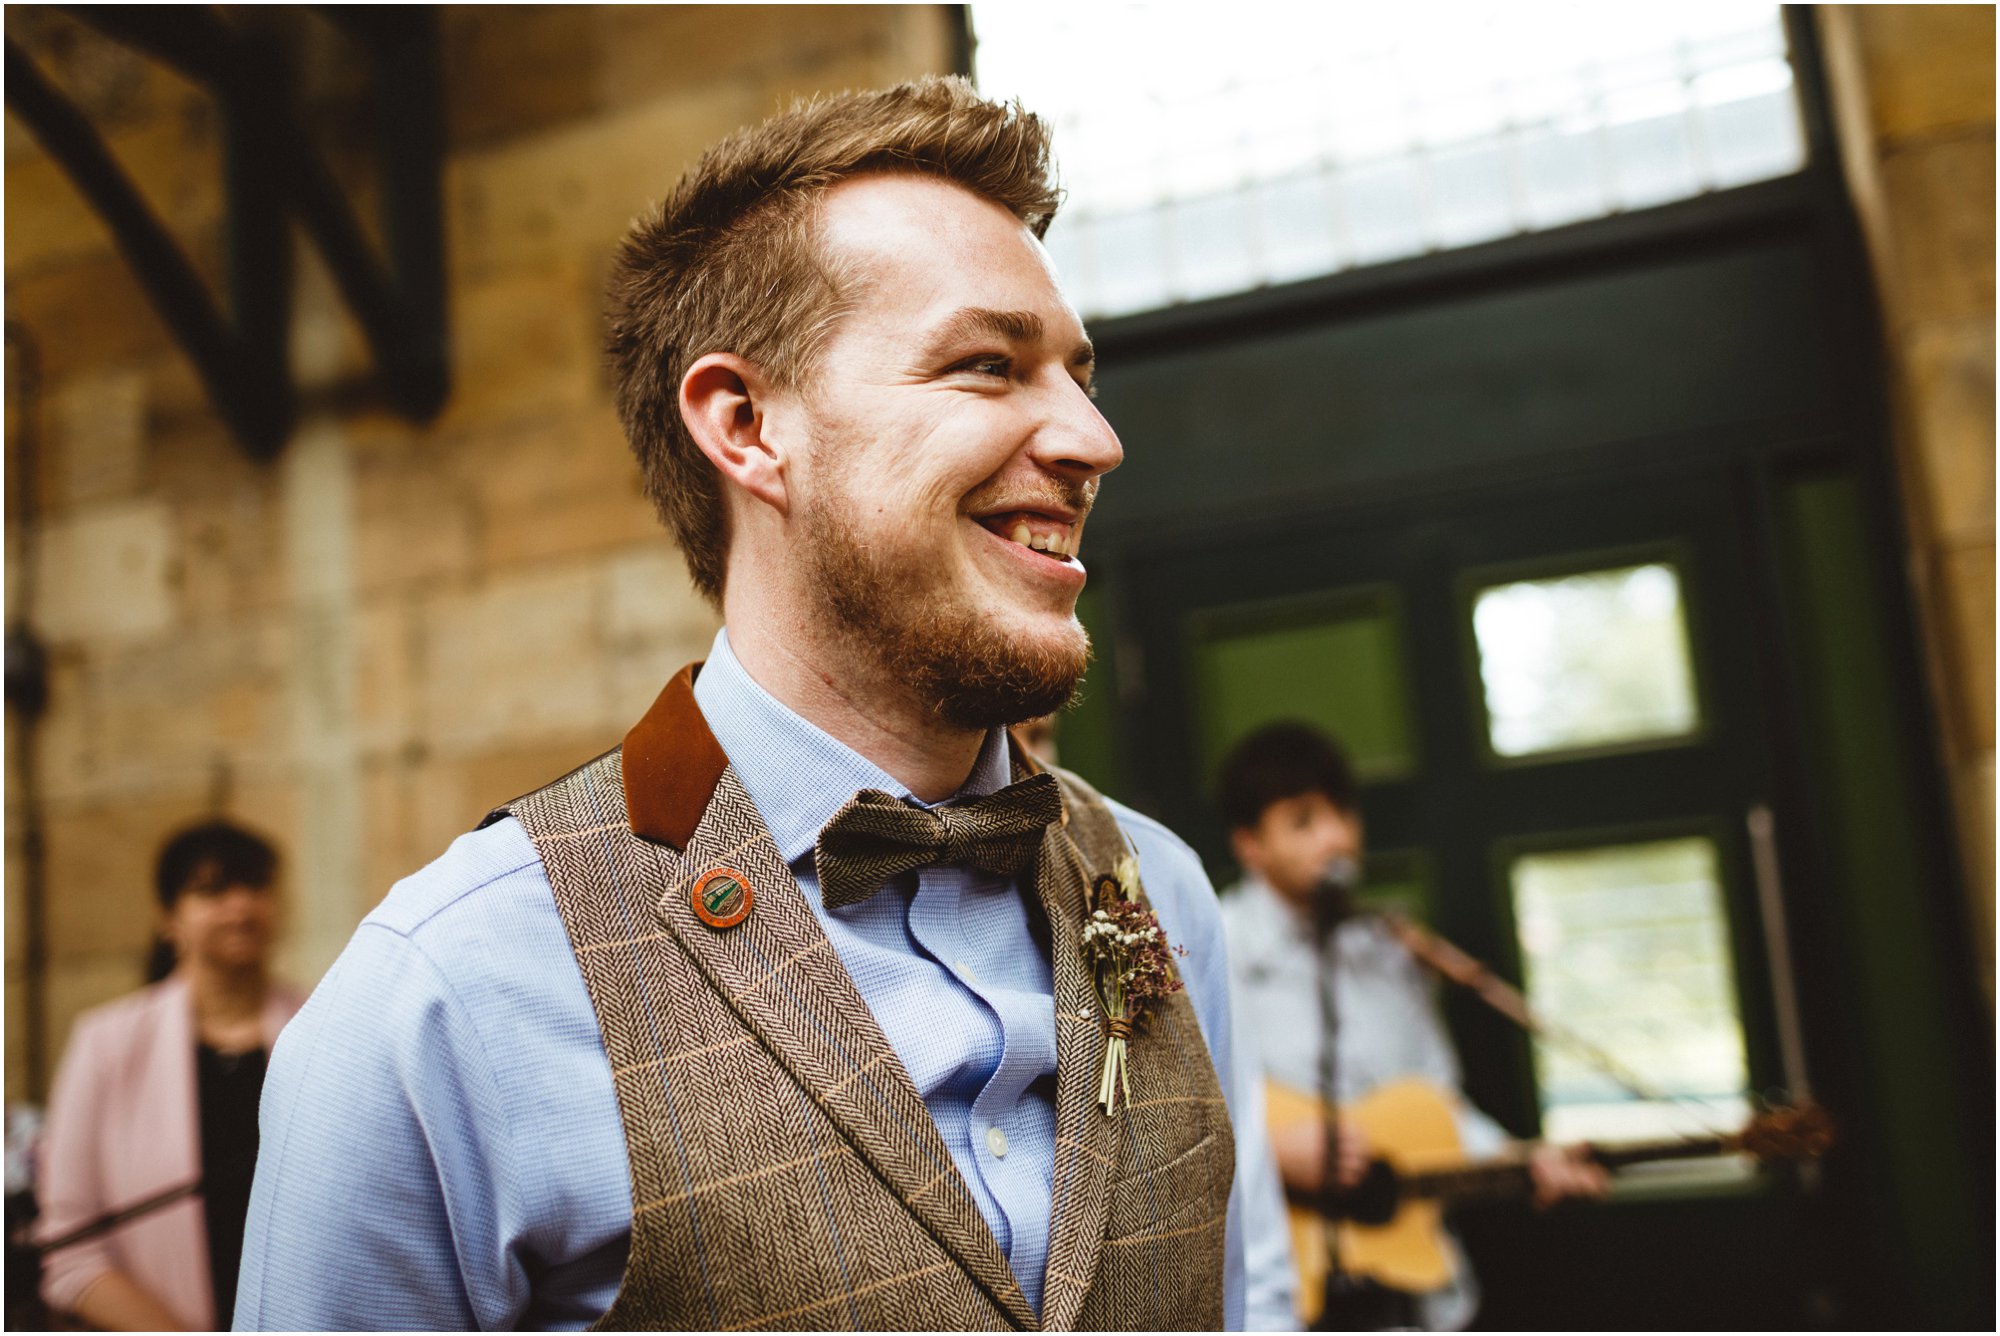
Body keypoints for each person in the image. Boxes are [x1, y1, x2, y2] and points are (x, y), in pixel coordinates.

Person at [236, 77, 1293, 1330]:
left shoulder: (1157, 894)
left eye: (1076, 373)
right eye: (985, 366)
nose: (1091, 439)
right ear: (745, 424)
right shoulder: (448, 995)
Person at [1216, 723, 1605, 1330]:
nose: (1336, 838)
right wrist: (1267, 1151)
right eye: (1303, 821)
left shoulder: (1390, 948)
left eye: (1343, 814)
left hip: (1408, 1298)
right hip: (1274, 1296)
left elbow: (1434, 1102)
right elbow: (1168, 1115)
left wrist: (1520, 1159)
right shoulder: (1209, 944)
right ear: (1249, 844)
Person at [36, 820, 303, 1331]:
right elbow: (71, 1250)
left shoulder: (324, 1027)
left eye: (255, 886)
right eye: (213, 890)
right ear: (168, 918)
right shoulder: (105, 1044)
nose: (241, 906)